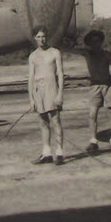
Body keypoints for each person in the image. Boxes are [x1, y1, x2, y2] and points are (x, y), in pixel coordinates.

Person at [28, 26, 65, 165]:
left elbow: (60, 74)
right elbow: (30, 78)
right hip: (38, 89)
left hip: (52, 88)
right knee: (43, 122)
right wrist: (31, 98)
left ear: (47, 37)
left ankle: (59, 153)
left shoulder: (55, 52)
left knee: (55, 120)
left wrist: (60, 93)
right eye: (38, 37)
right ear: (34, 38)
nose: (41, 39)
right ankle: (46, 153)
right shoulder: (32, 56)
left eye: (43, 36)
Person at [80, 29, 111, 153]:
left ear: (101, 42)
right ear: (89, 43)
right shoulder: (87, 54)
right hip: (94, 87)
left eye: (98, 41)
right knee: (92, 114)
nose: (96, 44)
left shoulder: (107, 54)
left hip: (108, 86)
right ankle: (93, 141)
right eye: (93, 42)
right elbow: (69, 49)